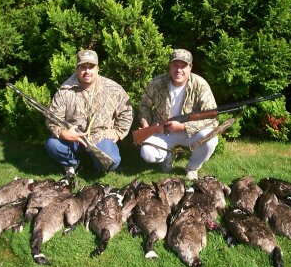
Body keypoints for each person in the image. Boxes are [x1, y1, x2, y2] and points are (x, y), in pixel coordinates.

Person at [45, 49, 133, 178]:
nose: (87, 71)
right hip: (73, 138)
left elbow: (127, 111)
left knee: (112, 162)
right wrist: (64, 133)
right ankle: (73, 164)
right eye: (83, 67)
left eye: (91, 67)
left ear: (97, 68)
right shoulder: (65, 90)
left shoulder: (112, 88)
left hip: (100, 137)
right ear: (77, 68)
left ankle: (97, 165)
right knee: (52, 144)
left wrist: (118, 132)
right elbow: (52, 118)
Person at [138, 49, 219, 180]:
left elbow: (212, 119)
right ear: (170, 66)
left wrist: (184, 127)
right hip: (162, 131)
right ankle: (168, 155)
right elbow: (144, 106)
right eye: (175, 65)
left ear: (190, 67)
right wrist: (146, 125)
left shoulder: (200, 85)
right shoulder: (157, 83)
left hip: (190, 132)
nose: (179, 70)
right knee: (147, 153)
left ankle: (192, 167)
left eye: (183, 66)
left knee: (211, 139)